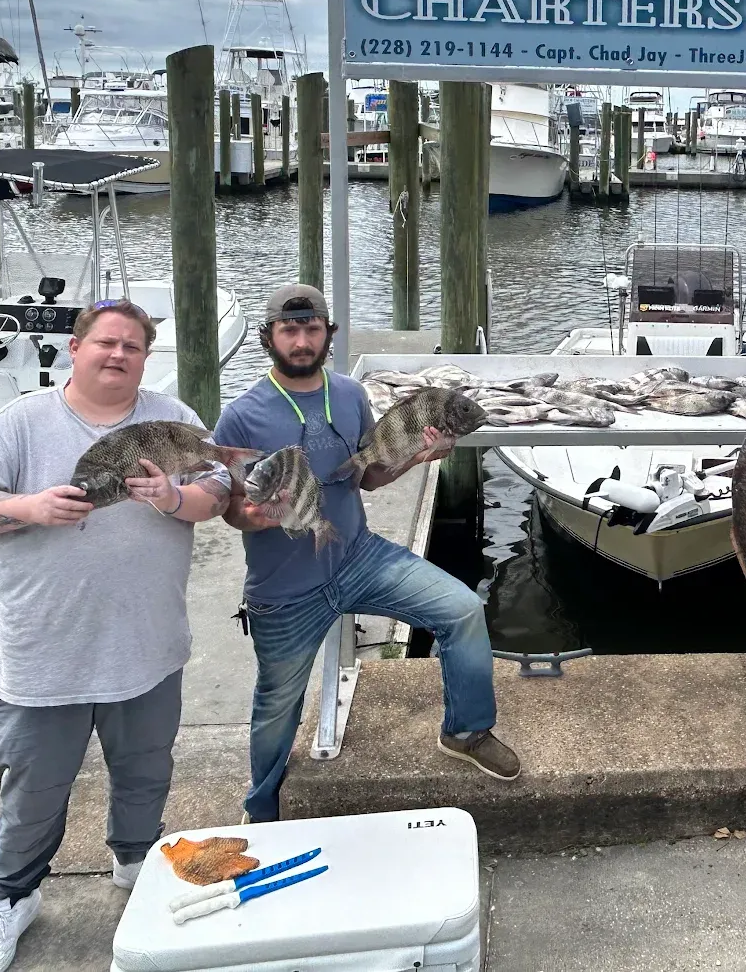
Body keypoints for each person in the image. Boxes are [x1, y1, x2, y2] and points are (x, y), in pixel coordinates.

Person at [0, 299, 234, 972]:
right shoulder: (21, 422)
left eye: (133, 346)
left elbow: (217, 492)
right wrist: (28, 506)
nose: (118, 354)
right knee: (34, 788)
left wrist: (171, 498)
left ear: (145, 358)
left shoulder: (172, 418)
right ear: (75, 349)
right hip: (45, 651)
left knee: (145, 771)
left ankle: (135, 864)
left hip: (147, 646)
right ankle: (12, 898)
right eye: (106, 342)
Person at [216, 284, 519, 824]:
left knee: (462, 610)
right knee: (277, 703)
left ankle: (466, 730)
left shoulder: (351, 395)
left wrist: (418, 455)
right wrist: (259, 515)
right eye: (289, 330)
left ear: (328, 334)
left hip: (359, 557)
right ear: (268, 337)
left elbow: (370, 477)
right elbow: (231, 509)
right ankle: (262, 808)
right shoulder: (240, 417)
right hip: (285, 587)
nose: (302, 341)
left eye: (312, 329)